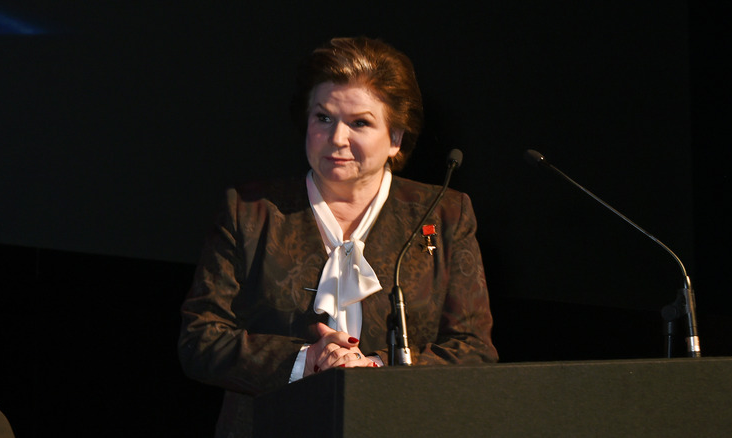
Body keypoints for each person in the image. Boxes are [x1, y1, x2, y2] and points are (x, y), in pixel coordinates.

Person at [178, 36, 498, 437]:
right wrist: (304, 360)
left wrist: (375, 369)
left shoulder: (445, 213)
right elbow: (200, 340)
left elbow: (473, 351)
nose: (337, 139)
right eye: (323, 118)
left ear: (395, 138)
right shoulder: (250, 210)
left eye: (360, 123)